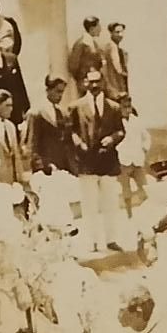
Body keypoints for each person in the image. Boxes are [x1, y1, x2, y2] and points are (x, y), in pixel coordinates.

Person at [72, 69, 126, 253]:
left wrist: (112, 139)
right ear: (85, 83)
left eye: (98, 82)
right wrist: (79, 144)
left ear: (103, 83)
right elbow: (70, 132)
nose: (94, 86)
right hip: (87, 161)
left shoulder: (114, 107)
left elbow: (120, 130)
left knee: (110, 203)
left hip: (108, 161)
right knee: (89, 204)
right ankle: (92, 241)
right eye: (91, 82)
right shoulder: (76, 107)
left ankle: (111, 239)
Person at [24, 76, 74, 176]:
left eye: (62, 92)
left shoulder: (62, 113)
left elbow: (66, 143)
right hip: (44, 169)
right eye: (57, 91)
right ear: (48, 91)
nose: (60, 96)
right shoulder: (36, 113)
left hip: (61, 168)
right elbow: (31, 143)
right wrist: (42, 166)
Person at [114, 93, 150, 219]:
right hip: (123, 160)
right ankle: (129, 214)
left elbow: (146, 137)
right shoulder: (114, 122)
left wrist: (144, 149)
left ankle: (146, 212)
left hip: (137, 159)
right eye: (124, 107)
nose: (127, 110)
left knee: (144, 188)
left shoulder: (136, 121)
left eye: (129, 107)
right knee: (126, 190)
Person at [66, 16, 105, 98]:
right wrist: (82, 79)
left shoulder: (94, 44)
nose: (100, 30)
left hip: (95, 82)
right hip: (85, 85)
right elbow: (73, 66)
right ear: (91, 29)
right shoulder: (81, 44)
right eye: (98, 27)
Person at [102, 21, 130, 98]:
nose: (120, 35)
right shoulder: (111, 46)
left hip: (116, 84)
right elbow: (118, 68)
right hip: (115, 85)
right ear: (111, 33)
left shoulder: (117, 48)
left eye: (122, 32)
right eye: (117, 32)